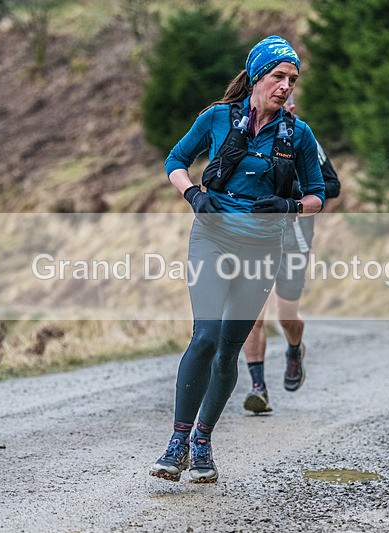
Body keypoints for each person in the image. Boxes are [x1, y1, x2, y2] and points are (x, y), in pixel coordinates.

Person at [150, 36, 326, 483]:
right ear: (255, 77)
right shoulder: (216, 118)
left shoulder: (297, 134)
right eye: (277, 76)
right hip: (211, 240)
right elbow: (175, 159)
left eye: (292, 79)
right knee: (206, 337)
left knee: (228, 349)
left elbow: (317, 195)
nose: (286, 86)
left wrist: (289, 207)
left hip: (262, 250)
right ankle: (177, 443)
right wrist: (191, 192)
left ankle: (203, 442)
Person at [241, 94, 340, 414]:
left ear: (292, 106)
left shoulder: (302, 137)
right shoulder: (248, 133)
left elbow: (331, 186)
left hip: (294, 232)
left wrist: (291, 197)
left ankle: (294, 349)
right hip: (256, 233)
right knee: (253, 317)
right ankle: (258, 388)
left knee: (285, 316)